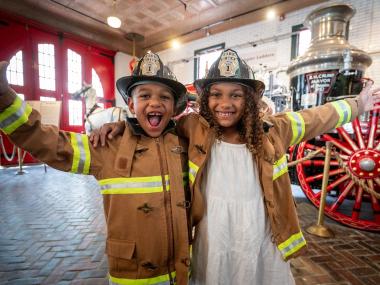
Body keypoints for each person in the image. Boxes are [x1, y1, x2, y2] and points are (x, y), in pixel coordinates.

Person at [90, 49, 380, 285]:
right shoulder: (192, 128)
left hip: (260, 236)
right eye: (216, 94)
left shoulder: (274, 130)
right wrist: (123, 126)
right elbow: (155, 122)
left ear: (250, 101)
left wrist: (358, 105)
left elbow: (316, 117)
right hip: (213, 239)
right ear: (205, 99)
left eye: (235, 95)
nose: (224, 103)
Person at [0, 52, 197, 285]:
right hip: (133, 276)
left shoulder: (186, 145)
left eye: (165, 97)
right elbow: (48, 142)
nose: (155, 102)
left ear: (174, 107)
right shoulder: (106, 146)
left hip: (183, 273)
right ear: (132, 105)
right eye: (145, 95)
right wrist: (5, 99)